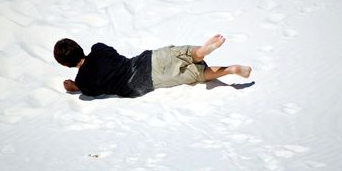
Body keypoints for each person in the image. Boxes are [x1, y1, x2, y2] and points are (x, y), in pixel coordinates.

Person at [53, 34, 252, 98]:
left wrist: (73, 84)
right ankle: (201, 51)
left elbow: (80, 88)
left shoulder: (85, 82)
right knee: (184, 53)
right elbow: (114, 55)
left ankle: (229, 70)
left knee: (196, 74)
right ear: (79, 47)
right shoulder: (98, 49)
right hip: (148, 61)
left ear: (65, 64)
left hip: (149, 82)